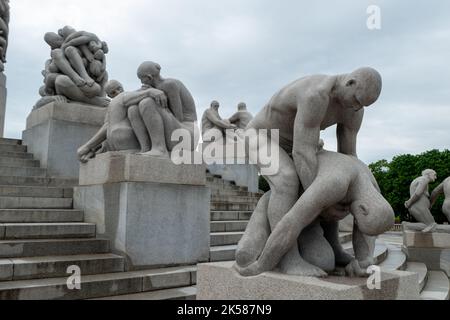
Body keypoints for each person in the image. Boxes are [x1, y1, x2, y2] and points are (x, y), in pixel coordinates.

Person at [245, 67, 382, 274]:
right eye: (356, 100)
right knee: (287, 181)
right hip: (262, 136)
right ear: (350, 82)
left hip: (302, 142)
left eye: (363, 105)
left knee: (336, 185)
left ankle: (333, 245)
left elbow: (347, 157)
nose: (357, 107)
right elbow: (302, 152)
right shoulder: (316, 94)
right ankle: (288, 260)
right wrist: (322, 205)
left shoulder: (355, 109)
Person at [235, 147, 394, 277]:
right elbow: (290, 223)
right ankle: (278, 248)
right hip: (285, 210)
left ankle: (333, 248)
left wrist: (364, 259)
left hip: (313, 221)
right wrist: (261, 265)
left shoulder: (372, 189)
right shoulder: (335, 182)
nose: (356, 224)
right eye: (358, 221)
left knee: (324, 261)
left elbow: (370, 228)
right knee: (245, 255)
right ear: (363, 209)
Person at [127, 61, 199, 157]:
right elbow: (126, 101)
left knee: (147, 103)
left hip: (187, 134)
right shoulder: (153, 88)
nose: (141, 82)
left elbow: (178, 117)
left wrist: (152, 97)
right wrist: (148, 92)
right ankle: (146, 148)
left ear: (149, 77)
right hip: (176, 130)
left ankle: (160, 148)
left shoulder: (169, 84)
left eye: (141, 79)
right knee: (133, 109)